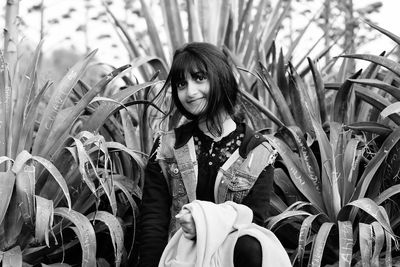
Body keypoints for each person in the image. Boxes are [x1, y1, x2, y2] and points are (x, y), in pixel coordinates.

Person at [137, 42, 279, 267]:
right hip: (179, 260)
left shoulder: (258, 152)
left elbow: (251, 223)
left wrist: (201, 221)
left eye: (199, 78)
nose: (190, 92)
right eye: (182, 84)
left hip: (229, 259)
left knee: (251, 243)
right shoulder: (167, 147)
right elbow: (153, 222)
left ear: (220, 77)